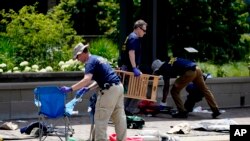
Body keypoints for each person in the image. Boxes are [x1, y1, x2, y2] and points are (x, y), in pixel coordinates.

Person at [60, 43, 127, 141]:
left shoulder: (90, 62)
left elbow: (86, 79)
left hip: (108, 91)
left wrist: (70, 89)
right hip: (118, 88)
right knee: (119, 118)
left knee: (101, 120)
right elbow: (103, 78)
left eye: (77, 56)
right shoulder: (98, 58)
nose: (78, 59)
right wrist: (88, 88)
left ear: (83, 52)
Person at [151, 57, 221, 118]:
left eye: (156, 72)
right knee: (205, 90)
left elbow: (166, 86)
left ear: (157, 69)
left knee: (174, 91)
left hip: (189, 72)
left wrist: (163, 102)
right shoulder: (170, 61)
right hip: (197, 69)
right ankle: (215, 110)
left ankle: (182, 112)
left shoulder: (164, 68)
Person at [119, 19, 148, 114]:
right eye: (144, 30)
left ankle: (126, 111)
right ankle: (128, 110)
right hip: (130, 68)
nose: (145, 32)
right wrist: (135, 68)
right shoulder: (134, 38)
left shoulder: (130, 37)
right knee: (141, 90)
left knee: (132, 91)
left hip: (127, 67)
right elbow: (131, 52)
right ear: (138, 28)